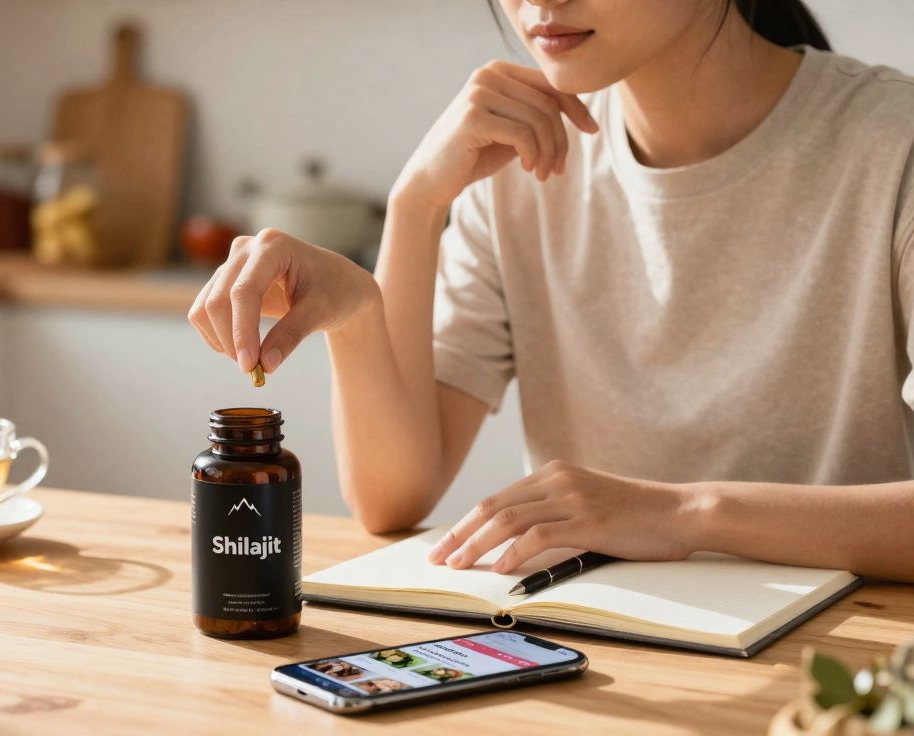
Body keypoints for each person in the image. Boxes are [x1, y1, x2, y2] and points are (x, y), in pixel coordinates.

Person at [188, 0, 914, 581]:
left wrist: (689, 513)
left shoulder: (894, 146)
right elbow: (391, 497)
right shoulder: (517, 171)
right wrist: (412, 211)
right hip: (601, 666)